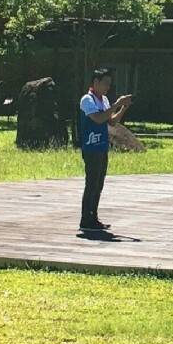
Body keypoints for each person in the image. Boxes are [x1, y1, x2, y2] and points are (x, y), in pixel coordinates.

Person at [78, 68, 132, 233]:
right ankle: (85, 219)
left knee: (99, 184)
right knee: (91, 183)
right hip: (91, 146)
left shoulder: (104, 100)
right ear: (95, 82)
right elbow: (98, 118)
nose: (108, 87)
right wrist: (117, 104)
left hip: (102, 146)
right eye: (105, 83)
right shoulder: (87, 100)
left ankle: (93, 217)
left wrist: (123, 108)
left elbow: (111, 122)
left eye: (110, 83)